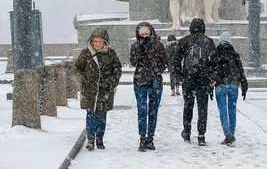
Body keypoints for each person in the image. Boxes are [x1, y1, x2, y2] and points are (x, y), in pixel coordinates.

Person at [75, 27, 122, 151]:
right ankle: (90, 139)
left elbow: (117, 69)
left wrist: (112, 82)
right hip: (89, 90)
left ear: (105, 42)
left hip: (104, 91)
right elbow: (77, 68)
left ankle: (100, 138)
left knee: (101, 115)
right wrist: (83, 80)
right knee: (90, 114)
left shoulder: (110, 54)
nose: (97, 44)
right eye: (94, 42)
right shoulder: (86, 53)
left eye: (99, 42)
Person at [174, 18, 216, 146]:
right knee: (202, 108)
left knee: (188, 106)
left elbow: (176, 60)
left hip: (188, 78)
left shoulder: (184, 41)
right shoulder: (208, 41)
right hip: (203, 80)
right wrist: (212, 77)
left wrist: (180, 75)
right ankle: (201, 134)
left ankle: (187, 132)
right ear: (203, 28)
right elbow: (214, 62)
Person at [130, 22, 167, 152]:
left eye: (147, 33)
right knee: (142, 111)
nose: (145, 36)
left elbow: (164, 62)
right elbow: (133, 62)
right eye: (142, 34)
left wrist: (156, 71)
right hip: (140, 81)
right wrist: (140, 51)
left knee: (153, 111)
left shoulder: (158, 45)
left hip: (154, 81)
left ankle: (150, 137)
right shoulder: (135, 46)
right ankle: (142, 137)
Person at [212, 31, 248, 146]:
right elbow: (240, 72)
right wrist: (243, 85)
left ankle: (227, 134)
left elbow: (212, 71)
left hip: (220, 85)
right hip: (233, 84)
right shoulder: (235, 55)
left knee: (222, 110)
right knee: (232, 109)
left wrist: (210, 86)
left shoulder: (216, 54)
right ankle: (232, 133)